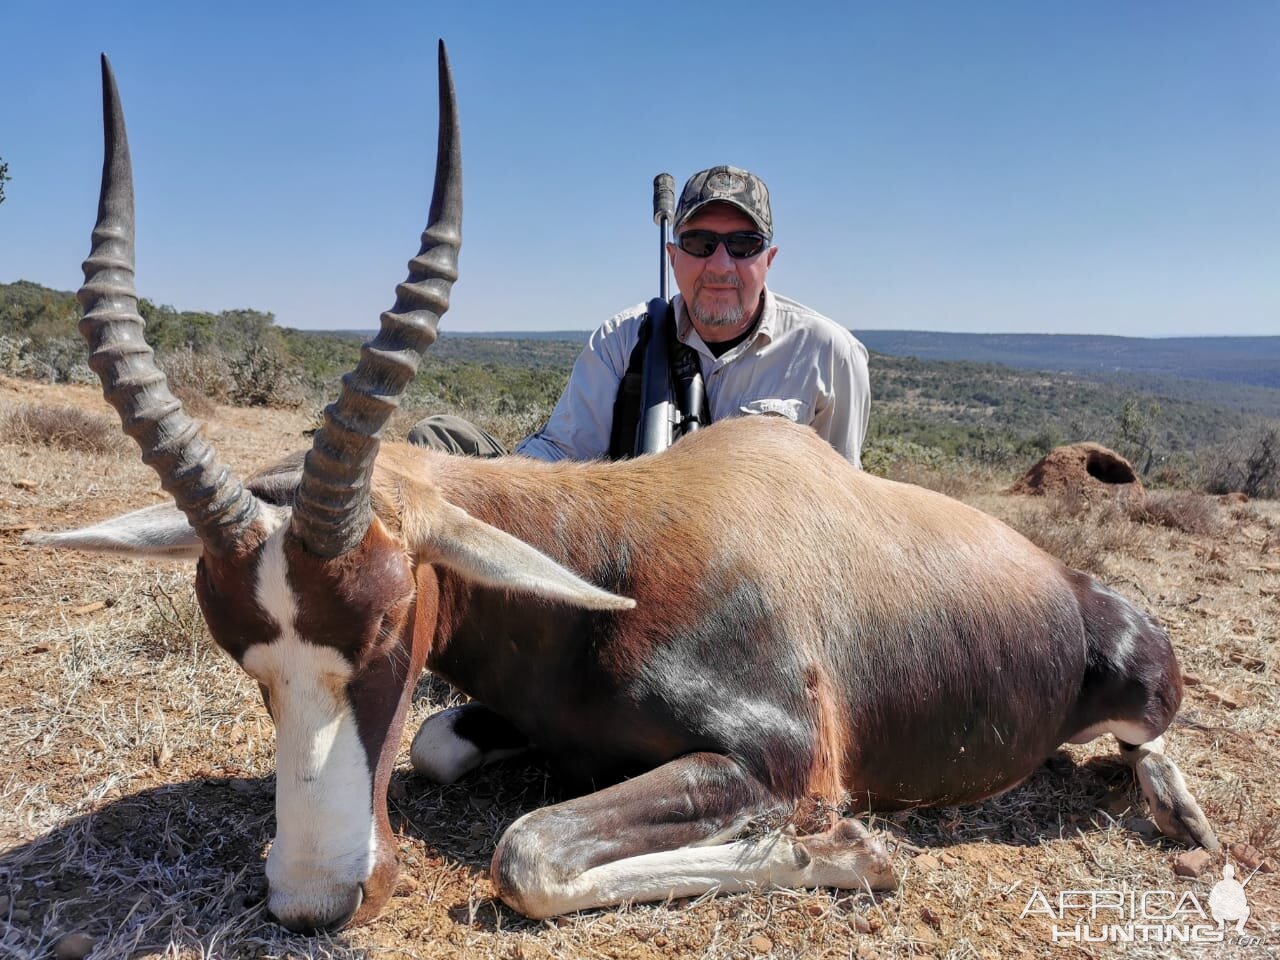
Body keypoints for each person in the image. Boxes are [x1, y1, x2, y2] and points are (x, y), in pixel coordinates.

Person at [409, 165, 870, 466]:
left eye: (743, 245)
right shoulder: (622, 339)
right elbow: (564, 450)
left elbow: (842, 507)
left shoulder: (829, 355)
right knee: (433, 441)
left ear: (768, 259)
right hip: (625, 545)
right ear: (673, 256)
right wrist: (504, 485)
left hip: (756, 582)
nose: (720, 265)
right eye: (700, 244)